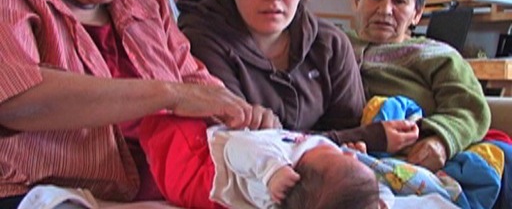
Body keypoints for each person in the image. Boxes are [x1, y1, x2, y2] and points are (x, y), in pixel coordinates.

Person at [0, 0, 280, 208]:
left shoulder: (148, 0)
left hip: (170, 193)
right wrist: (169, 95)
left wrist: (245, 117)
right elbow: (14, 96)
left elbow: (196, 83)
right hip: (45, 194)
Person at [177, 0, 403, 154]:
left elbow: (351, 130)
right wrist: (368, 137)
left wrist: (356, 139)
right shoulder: (199, 40)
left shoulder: (331, 44)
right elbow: (241, 143)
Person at [349, 0, 491, 172]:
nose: (385, 10)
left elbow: (470, 108)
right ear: (356, 1)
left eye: (399, 1)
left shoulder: (439, 56)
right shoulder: (331, 44)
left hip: (410, 161)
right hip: (342, 150)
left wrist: (441, 142)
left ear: (417, 13)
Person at [139, 115, 381, 209]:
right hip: (224, 146)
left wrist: (271, 170)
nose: (348, 155)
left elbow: (237, 149)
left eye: (343, 158)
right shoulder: (316, 157)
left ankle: (143, 124)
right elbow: (361, 191)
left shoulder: (276, 186)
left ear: (299, 177)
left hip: (205, 171)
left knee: (164, 130)